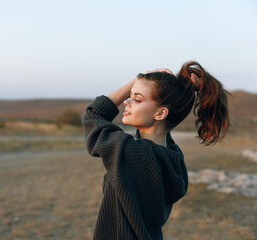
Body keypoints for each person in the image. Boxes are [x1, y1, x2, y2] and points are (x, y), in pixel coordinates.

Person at [82, 61, 230, 240]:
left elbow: (93, 116)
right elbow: (158, 133)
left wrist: (137, 79)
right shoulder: (173, 157)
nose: (127, 102)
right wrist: (182, 89)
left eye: (137, 99)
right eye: (129, 96)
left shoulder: (134, 154)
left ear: (160, 113)